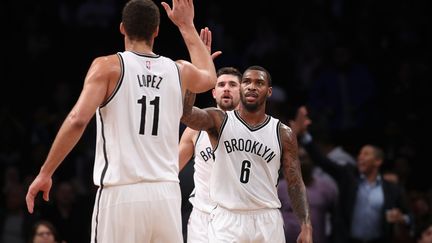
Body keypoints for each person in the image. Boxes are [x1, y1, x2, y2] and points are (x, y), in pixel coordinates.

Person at [25, 0, 217, 242]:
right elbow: (209, 77)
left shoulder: (108, 67)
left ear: (122, 28)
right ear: (156, 31)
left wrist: (45, 172)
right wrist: (187, 26)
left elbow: (76, 120)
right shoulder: (179, 70)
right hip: (166, 194)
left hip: (121, 192)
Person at [181, 65, 313, 243]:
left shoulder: (283, 133)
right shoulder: (219, 120)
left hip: (267, 219)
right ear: (241, 88)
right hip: (227, 218)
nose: (252, 86)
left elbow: (295, 182)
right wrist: (196, 77)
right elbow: (186, 114)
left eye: (259, 83)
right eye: (247, 82)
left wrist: (306, 224)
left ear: (269, 91)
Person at [295, 106, 412, 243]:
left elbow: (409, 216)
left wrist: (402, 218)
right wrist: (305, 137)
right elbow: (323, 161)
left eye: (366, 154)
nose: (360, 157)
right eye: (360, 154)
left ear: (378, 161)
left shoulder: (391, 189)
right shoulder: (348, 176)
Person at [179, 66, 242, 242]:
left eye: (232, 84)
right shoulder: (194, 130)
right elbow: (172, 166)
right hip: (202, 217)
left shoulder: (254, 129)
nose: (226, 88)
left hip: (236, 217)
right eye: (221, 84)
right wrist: (194, 77)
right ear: (214, 93)